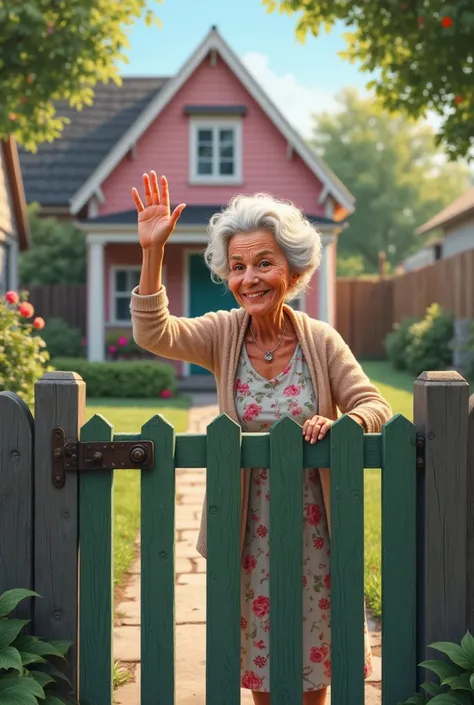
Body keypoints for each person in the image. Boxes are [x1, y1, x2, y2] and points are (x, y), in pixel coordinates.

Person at [130, 172, 392, 705]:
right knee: (261, 665)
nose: (249, 277)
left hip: (316, 525)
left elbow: (375, 405)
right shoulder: (224, 333)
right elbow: (154, 332)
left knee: (315, 660)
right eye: (238, 266)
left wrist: (344, 425)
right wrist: (153, 254)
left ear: (292, 270)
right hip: (246, 528)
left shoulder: (321, 340)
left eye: (264, 263)